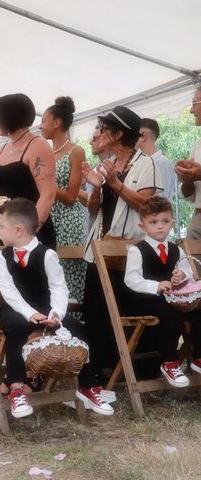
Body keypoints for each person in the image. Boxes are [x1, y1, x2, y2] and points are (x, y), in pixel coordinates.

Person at [0, 198, 114, 418]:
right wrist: (30, 315)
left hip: (47, 310)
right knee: (17, 329)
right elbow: (8, 290)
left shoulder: (47, 254)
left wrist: (56, 315)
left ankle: (88, 385)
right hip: (15, 310)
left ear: (18, 229)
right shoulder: (2, 256)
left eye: (1, 226)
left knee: (77, 328)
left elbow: (59, 287)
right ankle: (17, 388)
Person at [81, 106, 162, 372]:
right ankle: (102, 368)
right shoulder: (107, 165)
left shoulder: (145, 162)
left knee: (130, 309)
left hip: (130, 252)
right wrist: (97, 186)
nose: (98, 134)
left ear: (118, 134)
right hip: (101, 250)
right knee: (97, 312)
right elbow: (95, 211)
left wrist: (116, 185)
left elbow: (149, 206)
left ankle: (139, 369)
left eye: (103, 129)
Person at [123, 196, 200, 387]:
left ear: (172, 223)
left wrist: (182, 275)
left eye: (165, 222)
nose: (160, 226)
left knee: (198, 308)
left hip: (172, 298)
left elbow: (189, 272)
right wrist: (155, 286)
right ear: (142, 226)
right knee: (168, 311)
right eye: (154, 222)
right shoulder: (137, 250)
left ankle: (198, 356)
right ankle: (169, 362)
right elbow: (131, 279)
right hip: (144, 299)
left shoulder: (177, 250)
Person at [0, 93, 58, 248]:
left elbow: (48, 194)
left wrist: (26, 235)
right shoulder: (3, 147)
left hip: (25, 233)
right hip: (0, 227)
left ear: (9, 116)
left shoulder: (38, 145)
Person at [40, 96, 87, 307]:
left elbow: (71, 195)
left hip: (68, 221)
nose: (40, 126)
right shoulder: (45, 152)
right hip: (47, 217)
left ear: (57, 123)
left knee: (69, 275)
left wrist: (45, 185)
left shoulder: (76, 151)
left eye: (43, 121)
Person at [175, 86, 201, 239]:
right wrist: (187, 180)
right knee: (190, 262)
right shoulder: (198, 145)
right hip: (198, 217)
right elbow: (189, 194)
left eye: (194, 104)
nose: (191, 110)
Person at [137, 118, 176, 202]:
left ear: (143, 136)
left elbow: (160, 199)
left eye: (134, 135)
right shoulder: (142, 162)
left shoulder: (162, 162)